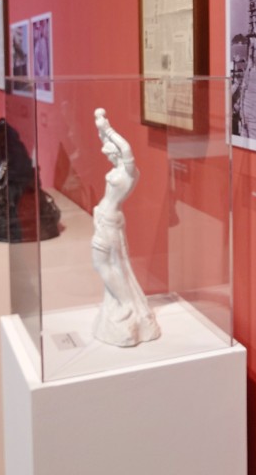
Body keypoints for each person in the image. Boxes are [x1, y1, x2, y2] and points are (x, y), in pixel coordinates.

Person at [90, 108, 160, 347]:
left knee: (103, 263)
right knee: (114, 264)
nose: (108, 156)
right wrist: (101, 127)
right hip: (104, 218)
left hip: (109, 220)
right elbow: (108, 143)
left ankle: (126, 304)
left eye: (111, 153)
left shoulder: (129, 173)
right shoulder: (117, 169)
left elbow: (126, 148)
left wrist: (108, 129)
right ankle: (121, 302)